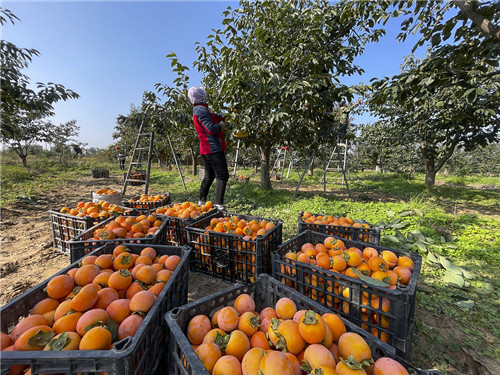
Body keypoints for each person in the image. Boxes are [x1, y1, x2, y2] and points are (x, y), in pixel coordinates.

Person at [188, 86, 229, 210]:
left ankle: (201, 201)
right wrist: (220, 125)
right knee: (222, 175)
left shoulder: (199, 109)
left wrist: (227, 116)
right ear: (201, 96)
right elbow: (210, 128)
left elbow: (214, 116)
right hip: (213, 148)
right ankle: (218, 205)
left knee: (209, 176)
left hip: (206, 148)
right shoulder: (201, 110)